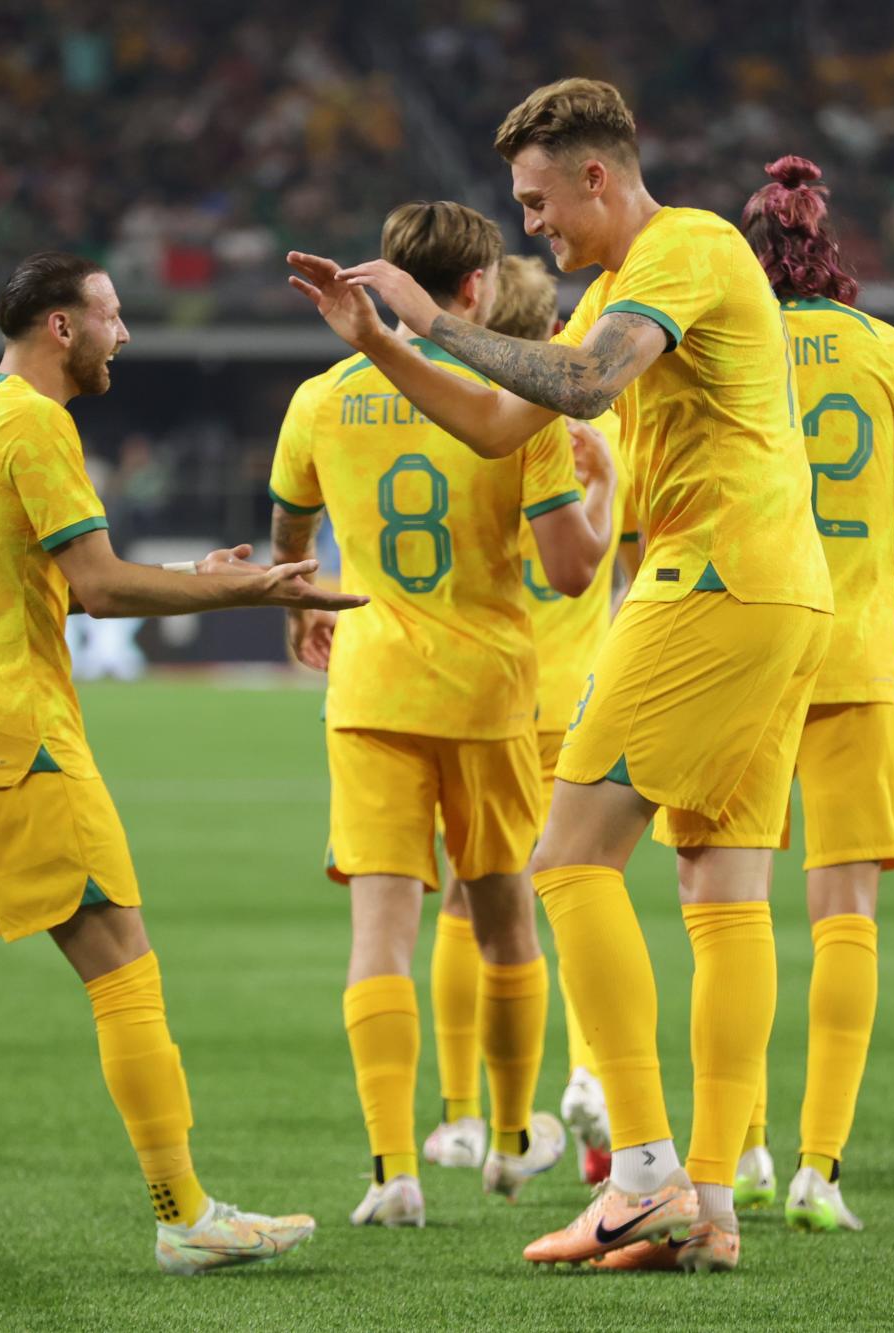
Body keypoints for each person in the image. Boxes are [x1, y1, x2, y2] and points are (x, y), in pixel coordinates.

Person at [287, 78, 832, 1272]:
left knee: (568, 858)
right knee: (721, 883)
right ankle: (707, 1199)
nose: (528, 224)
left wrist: (425, 320)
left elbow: (580, 385)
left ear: (597, 174)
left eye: (537, 200)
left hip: (713, 578)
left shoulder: (682, 248)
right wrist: (385, 342)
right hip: (783, 590)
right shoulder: (618, 289)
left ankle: (637, 1175)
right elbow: (497, 426)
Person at [0, 251, 364, 1280]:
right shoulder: (35, 420)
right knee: (123, 968)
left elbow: (30, 578)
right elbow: (99, 588)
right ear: (61, 327)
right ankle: (183, 1211)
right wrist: (247, 594)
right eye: (111, 315)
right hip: (15, 740)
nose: (125, 335)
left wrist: (187, 577)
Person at [269, 203, 616, 1229]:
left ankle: (390, 1171)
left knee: (380, 935)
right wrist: (598, 503)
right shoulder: (517, 407)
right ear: (474, 292)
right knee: (506, 917)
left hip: (371, 690)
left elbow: (290, 531)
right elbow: (567, 570)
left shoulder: (318, 400)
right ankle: (510, 1140)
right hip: (491, 693)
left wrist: (301, 611)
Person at [693, 154, 894, 1235]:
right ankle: (820, 1170)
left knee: (730, 908)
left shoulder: (723, 345)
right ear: (827, 251)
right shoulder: (880, 349)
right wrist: (884, 486)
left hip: (747, 650)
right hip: (858, 655)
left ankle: (744, 1151)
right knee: (843, 913)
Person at [421, 255, 624, 1187]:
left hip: (482, 690)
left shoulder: (458, 416)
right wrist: (607, 495)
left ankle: (461, 1116)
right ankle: (591, 1077)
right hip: (578, 692)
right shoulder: (594, 416)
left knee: (468, 899)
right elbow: (586, 562)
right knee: (582, 886)